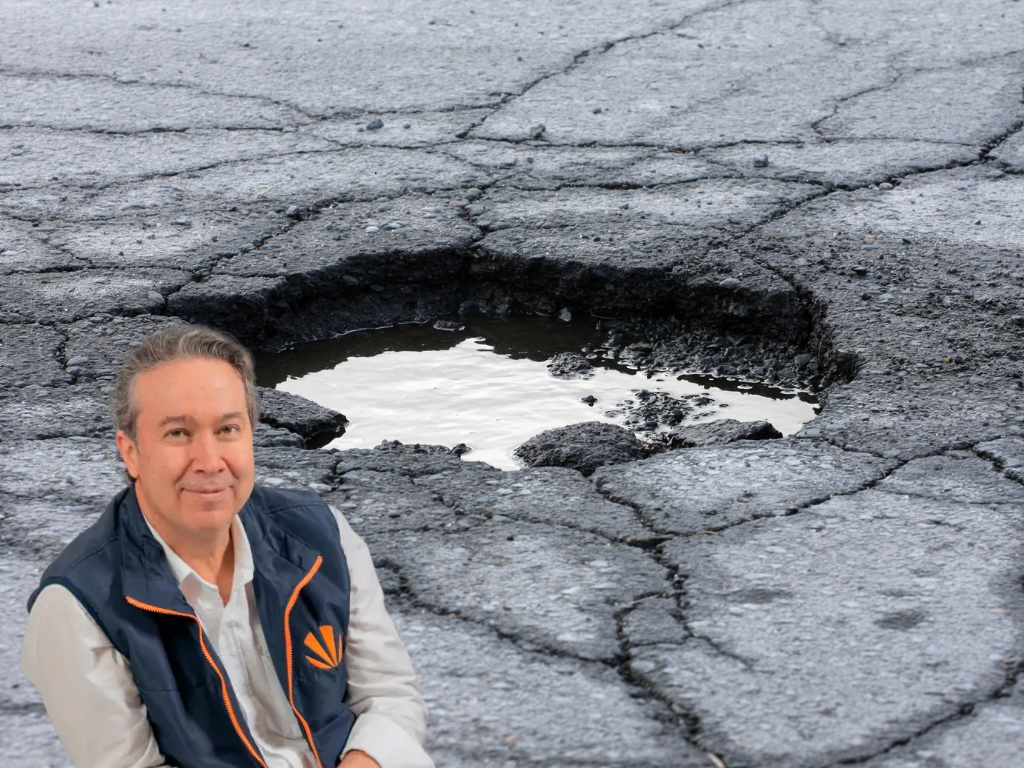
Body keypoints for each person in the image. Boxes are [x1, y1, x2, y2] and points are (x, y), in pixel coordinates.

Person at [20, 325, 434, 768]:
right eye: (178, 433)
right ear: (131, 452)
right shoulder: (76, 606)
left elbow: (389, 696)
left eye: (227, 429)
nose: (210, 462)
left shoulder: (322, 535)